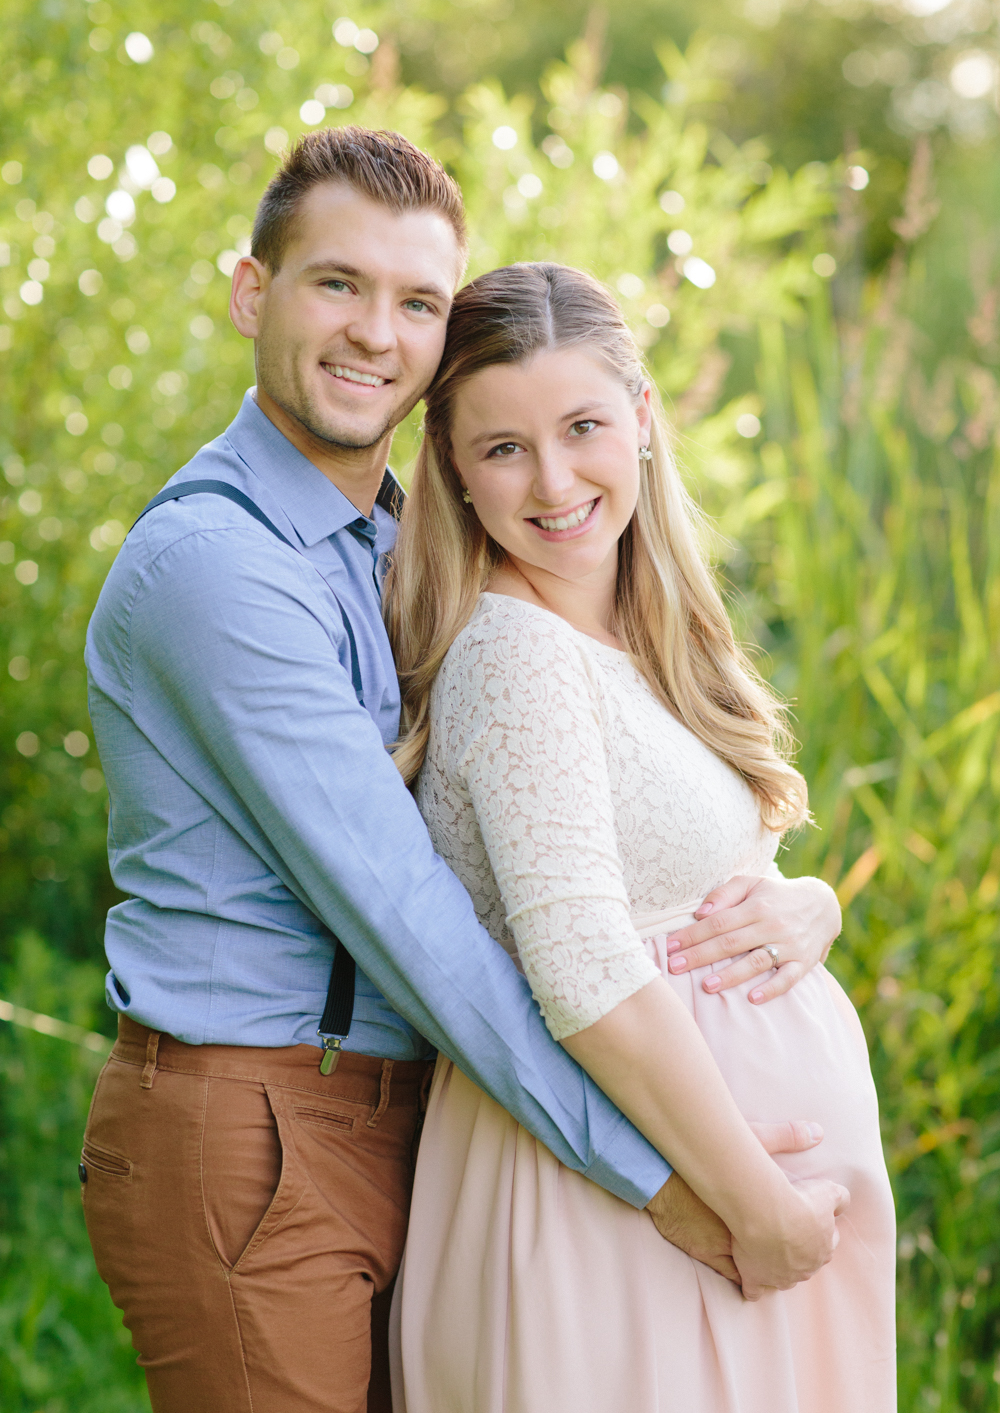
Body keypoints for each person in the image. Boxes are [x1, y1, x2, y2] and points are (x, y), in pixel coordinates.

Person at [81, 127, 844, 1413]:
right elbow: (415, 923)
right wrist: (666, 1177)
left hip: (423, 1116)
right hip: (257, 1129)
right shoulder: (218, 571)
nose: (376, 333)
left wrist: (803, 903)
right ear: (250, 293)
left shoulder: (402, 547)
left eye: (417, 302)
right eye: (338, 284)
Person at [385, 262, 897, 1412]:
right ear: (455, 472)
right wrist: (756, 1208)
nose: (554, 481)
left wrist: (805, 901)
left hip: (705, 1211)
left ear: (645, 421)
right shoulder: (515, 656)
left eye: (582, 428)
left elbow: (687, 864)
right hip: (632, 1204)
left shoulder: (642, 632)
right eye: (503, 447)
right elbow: (578, 966)